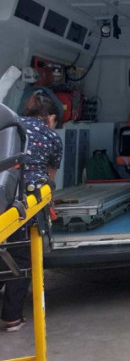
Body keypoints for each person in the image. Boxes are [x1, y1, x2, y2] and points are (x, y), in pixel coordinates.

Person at [2, 92, 62, 332]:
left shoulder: (9, 127)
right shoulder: (51, 136)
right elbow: (50, 176)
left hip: (3, 194)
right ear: (51, 117)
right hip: (26, 201)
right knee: (22, 257)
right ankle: (12, 317)